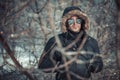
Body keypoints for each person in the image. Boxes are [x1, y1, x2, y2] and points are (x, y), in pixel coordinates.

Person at [38, 6, 103, 80]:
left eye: (78, 21)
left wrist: (92, 65)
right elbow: (42, 65)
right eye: (71, 21)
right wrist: (62, 65)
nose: (75, 24)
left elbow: (99, 65)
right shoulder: (55, 41)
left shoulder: (91, 42)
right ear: (66, 23)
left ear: (82, 22)